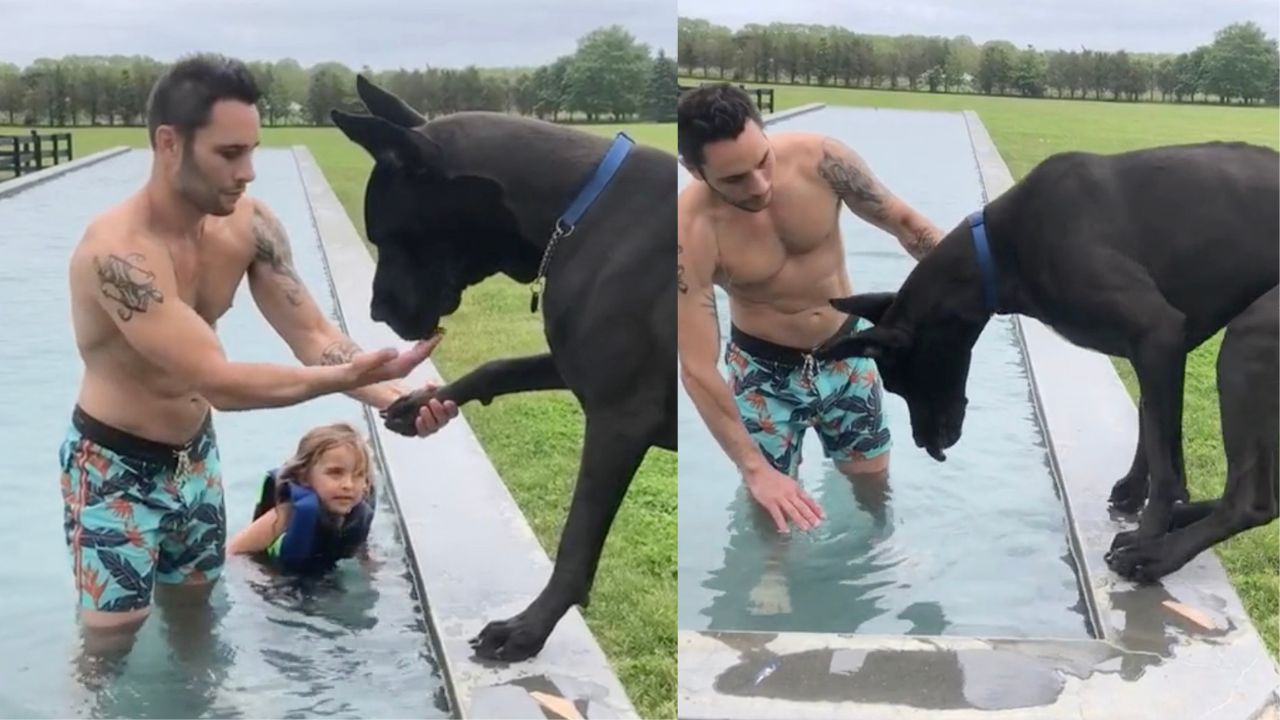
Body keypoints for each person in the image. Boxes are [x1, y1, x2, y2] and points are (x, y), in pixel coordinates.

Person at [58, 53, 459, 653]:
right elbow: (219, 381)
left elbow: (315, 337)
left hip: (195, 457)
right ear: (169, 144)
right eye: (228, 154)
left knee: (197, 614)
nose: (248, 172)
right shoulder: (119, 256)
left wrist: (395, 396)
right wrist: (347, 378)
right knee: (110, 647)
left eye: (252, 150)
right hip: (114, 467)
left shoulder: (251, 226)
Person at [676, 83, 945, 535]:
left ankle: (880, 546)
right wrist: (755, 470)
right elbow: (697, 368)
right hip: (764, 374)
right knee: (773, 499)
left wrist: (966, 285)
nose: (759, 185)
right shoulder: (690, 231)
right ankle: (773, 577)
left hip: (848, 354)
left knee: (872, 480)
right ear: (695, 170)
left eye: (762, 161)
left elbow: (904, 223)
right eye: (734, 179)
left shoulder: (821, 161)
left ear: (764, 131)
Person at [228, 423, 376, 574]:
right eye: (335, 473)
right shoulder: (287, 514)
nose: (348, 485)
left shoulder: (358, 516)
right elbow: (232, 553)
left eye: (358, 475)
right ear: (304, 476)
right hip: (277, 584)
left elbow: (361, 554)